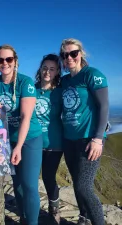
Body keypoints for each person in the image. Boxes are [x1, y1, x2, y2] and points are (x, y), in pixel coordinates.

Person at [0, 44, 42, 225]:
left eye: (9, 59)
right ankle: (24, 218)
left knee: (29, 185)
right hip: (5, 140)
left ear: (15, 61)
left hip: (29, 138)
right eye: (0, 60)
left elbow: (25, 117)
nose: (4, 63)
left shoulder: (25, 82)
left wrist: (19, 147)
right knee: (18, 185)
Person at [59, 38, 108, 225]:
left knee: (84, 186)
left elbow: (103, 107)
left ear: (81, 54)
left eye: (73, 53)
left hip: (89, 139)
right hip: (69, 139)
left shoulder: (92, 74)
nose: (69, 57)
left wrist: (97, 139)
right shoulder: (64, 81)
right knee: (77, 186)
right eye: (65, 55)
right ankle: (84, 217)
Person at [34, 54, 63, 224]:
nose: (47, 71)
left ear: (57, 71)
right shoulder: (31, 88)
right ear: (40, 68)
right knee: (30, 178)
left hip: (54, 142)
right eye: (45, 67)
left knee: (48, 177)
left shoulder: (61, 91)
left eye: (52, 69)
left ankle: (54, 209)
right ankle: (30, 209)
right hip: (33, 142)